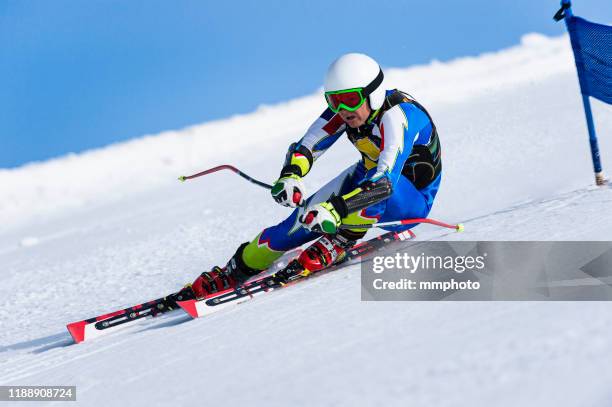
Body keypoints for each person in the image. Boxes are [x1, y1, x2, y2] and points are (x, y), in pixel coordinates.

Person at [189, 53, 442, 298]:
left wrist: (337, 208)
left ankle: (341, 239)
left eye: (351, 99)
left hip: (409, 200)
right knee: (294, 226)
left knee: (364, 193)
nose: (343, 109)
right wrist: (290, 176)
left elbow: (385, 182)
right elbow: (308, 146)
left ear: (372, 94)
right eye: (334, 101)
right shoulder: (347, 112)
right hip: (368, 178)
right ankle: (237, 268)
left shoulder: (397, 117)